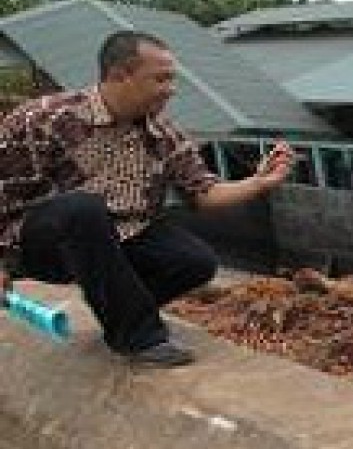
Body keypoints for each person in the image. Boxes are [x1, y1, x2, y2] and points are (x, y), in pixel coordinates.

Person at [0, 30, 296, 366]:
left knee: (194, 260)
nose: (171, 89)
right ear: (120, 76)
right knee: (82, 208)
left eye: (172, 79)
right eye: (161, 79)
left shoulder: (162, 133)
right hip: (42, 244)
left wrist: (259, 182)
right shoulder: (43, 119)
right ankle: (139, 340)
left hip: (117, 241)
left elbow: (203, 192)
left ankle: (119, 308)